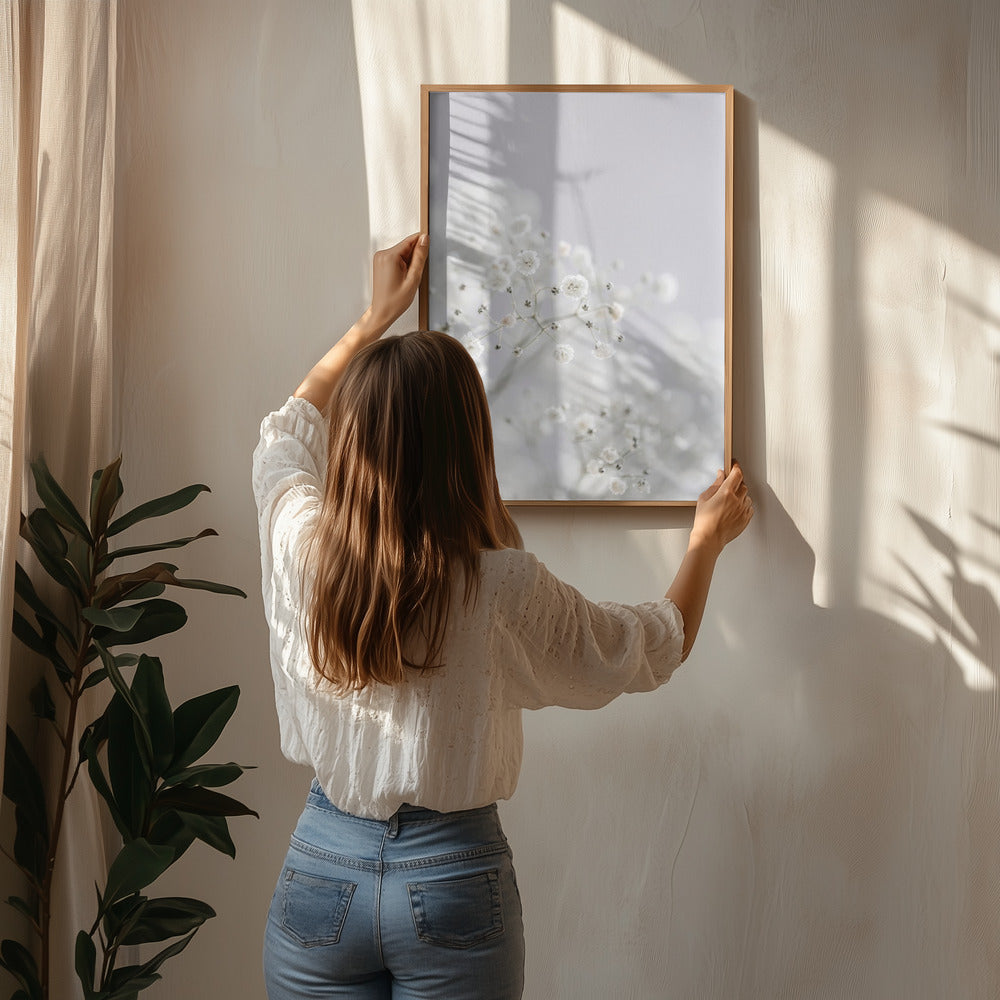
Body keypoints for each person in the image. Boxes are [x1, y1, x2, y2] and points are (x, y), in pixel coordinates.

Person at [254, 233, 753, 1000]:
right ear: (469, 445)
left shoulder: (304, 545)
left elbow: (283, 437)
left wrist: (372, 320)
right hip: (451, 879)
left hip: (322, 869)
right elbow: (651, 647)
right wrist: (705, 543)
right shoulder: (501, 586)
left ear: (353, 446)